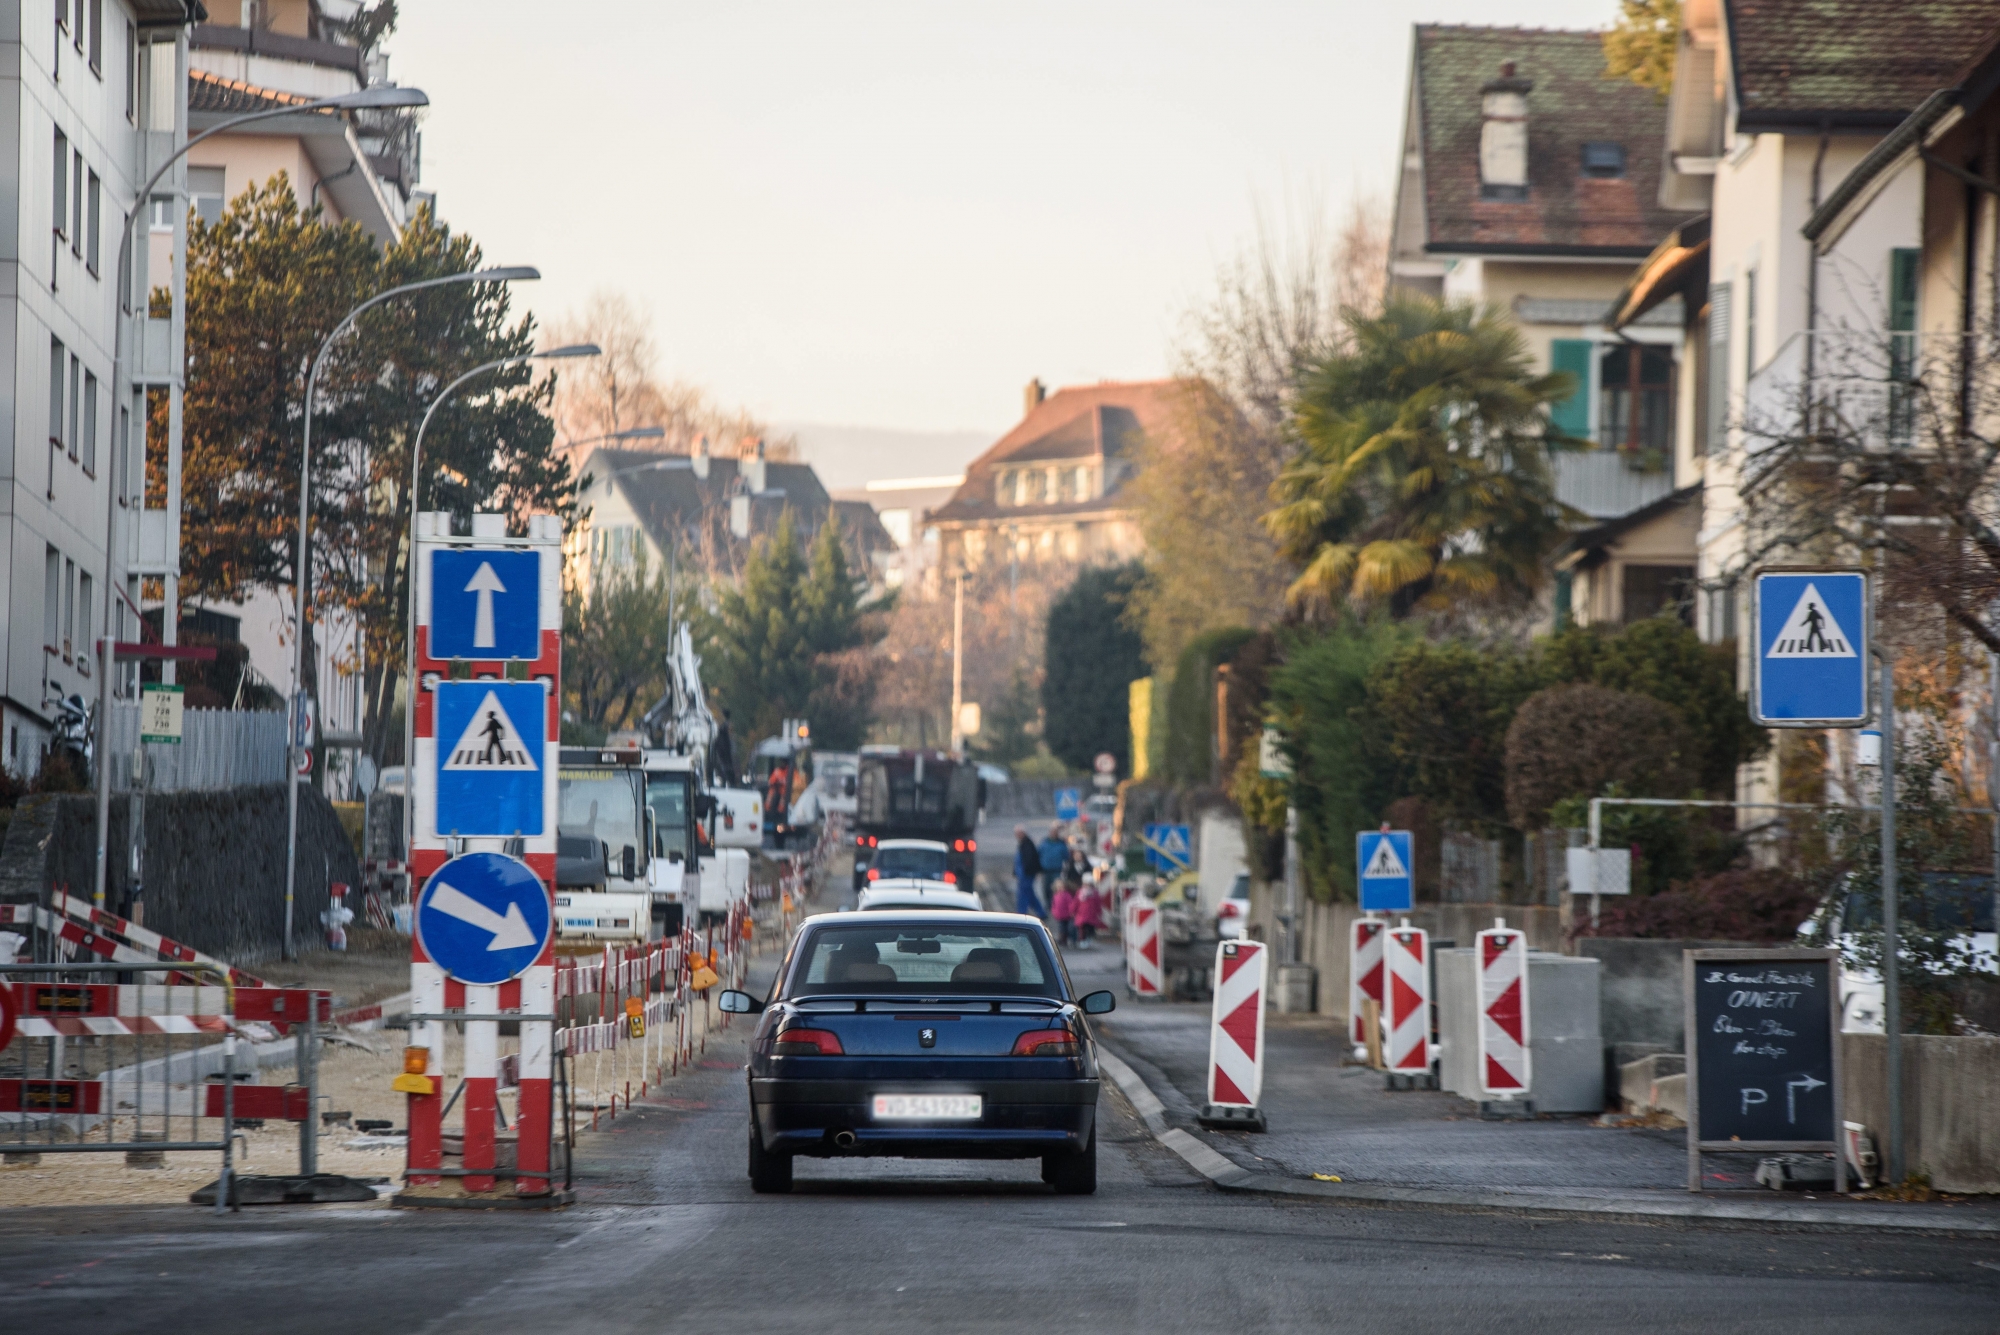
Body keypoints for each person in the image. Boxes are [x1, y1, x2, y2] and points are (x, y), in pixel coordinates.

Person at [1013, 825, 1044, 917]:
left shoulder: (1026, 844)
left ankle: (1021, 913)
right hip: (1024, 874)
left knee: (1024, 895)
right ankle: (1041, 912)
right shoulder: (1025, 843)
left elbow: (1029, 860)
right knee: (1029, 894)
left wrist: (1024, 871)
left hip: (1026, 874)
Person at [1037, 823, 1068, 908]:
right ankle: (1048, 904)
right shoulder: (1044, 843)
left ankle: (1055, 904)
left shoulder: (1061, 844)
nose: (1054, 833)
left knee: (1055, 889)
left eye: (1055, 832)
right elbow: (1038, 855)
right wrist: (1038, 869)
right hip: (1045, 870)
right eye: (1052, 832)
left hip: (1057, 870)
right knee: (1046, 889)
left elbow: (1066, 856)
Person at [1074, 879, 1103, 949]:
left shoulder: (1094, 894)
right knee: (1082, 929)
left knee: (1090, 929)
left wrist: (1099, 911)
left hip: (1090, 915)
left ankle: (1087, 940)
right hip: (1082, 915)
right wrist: (1073, 910)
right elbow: (1076, 902)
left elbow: (1097, 904)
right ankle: (1083, 941)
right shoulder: (1080, 893)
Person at [1050, 879, 1076, 948]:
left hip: (1067, 915)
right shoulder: (1055, 896)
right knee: (1061, 928)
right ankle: (1062, 939)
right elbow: (1054, 905)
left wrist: (1071, 912)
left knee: (1067, 928)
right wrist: (1054, 912)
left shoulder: (1067, 895)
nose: (1060, 889)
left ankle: (1066, 939)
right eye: (1058, 887)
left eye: (1062, 887)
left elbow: (1070, 904)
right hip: (1060, 915)